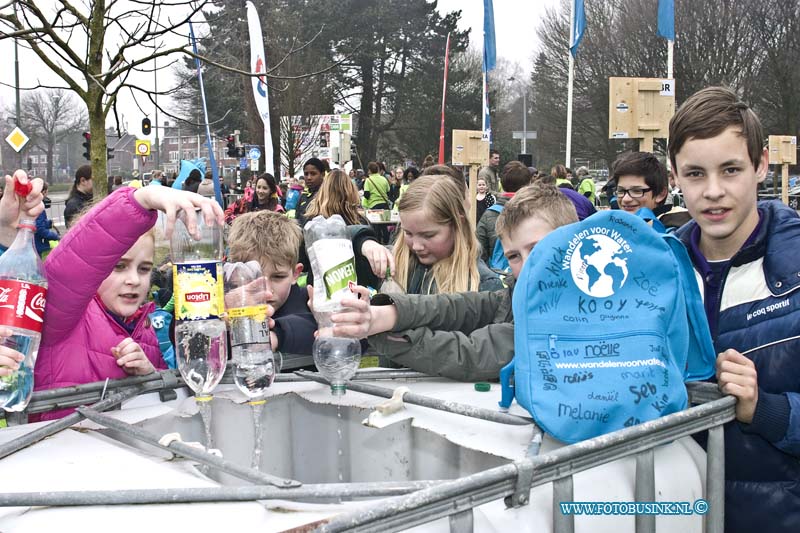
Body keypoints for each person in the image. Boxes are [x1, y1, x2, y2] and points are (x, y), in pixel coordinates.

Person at [670, 86, 800, 533]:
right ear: (674, 176)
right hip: (670, 514)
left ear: (761, 164)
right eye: (694, 174)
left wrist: (764, 408)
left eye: (730, 170)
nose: (713, 192)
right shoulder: (653, 271)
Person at [321, 184, 578, 380]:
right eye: (514, 256)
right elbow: (456, 307)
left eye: (538, 249)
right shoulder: (517, 294)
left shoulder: (569, 309)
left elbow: (473, 353)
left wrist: (383, 330)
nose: (528, 263)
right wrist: (386, 315)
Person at [25, 182, 223, 420]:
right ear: (95, 268)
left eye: (144, 269)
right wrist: (142, 200)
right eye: (119, 267)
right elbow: (71, 265)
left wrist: (150, 375)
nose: (134, 280)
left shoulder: (146, 328)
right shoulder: (63, 317)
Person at [227, 211, 316, 361]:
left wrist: (275, 335)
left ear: (295, 273)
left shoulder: (309, 302)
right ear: (234, 273)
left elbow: (345, 333)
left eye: (278, 277)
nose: (267, 291)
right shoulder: (225, 303)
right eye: (253, 278)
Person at [393, 174, 502, 295]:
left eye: (428, 235)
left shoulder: (483, 285)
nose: (416, 246)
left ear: (457, 224)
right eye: (408, 233)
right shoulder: (395, 264)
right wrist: (368, 242)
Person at [477, 161, 531, 263]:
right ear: (528, 184)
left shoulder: (488, 215)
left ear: (501, 183)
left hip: (498, 275)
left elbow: (479, 254)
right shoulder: (535, 212)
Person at [611, 151, 670, 216]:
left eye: (637, 191)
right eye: (621, 191)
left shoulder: (672, 225)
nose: (626, 199)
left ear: (660, 194)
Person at [294, 157, 326, 226]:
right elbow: (297, 219)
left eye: (313, 174)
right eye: (306, 174)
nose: (309, 177)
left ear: (322, 174)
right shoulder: (302, 196)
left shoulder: (327, 196)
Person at [34, 181, 60, 259]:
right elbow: (40, 229)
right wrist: (55, 236)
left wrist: (48, 223)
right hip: (39, 246)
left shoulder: (33, 205)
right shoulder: (39, 208)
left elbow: (37, 223)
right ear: (44, 192)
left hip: (35, 244)